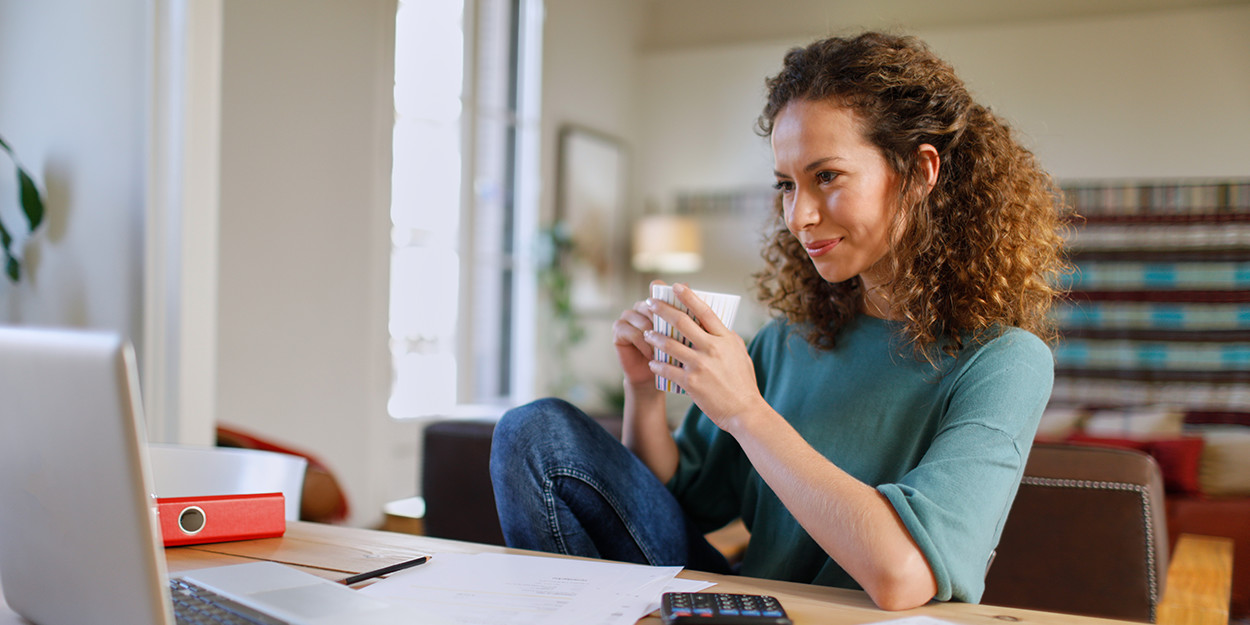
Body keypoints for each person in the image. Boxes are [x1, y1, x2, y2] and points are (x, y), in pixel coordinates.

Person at [490, 31, 1070, 611]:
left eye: (827, 177)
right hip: (752, 608)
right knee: (535, 433)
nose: (800, 216)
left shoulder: (1004, 362)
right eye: (787, 185)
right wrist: (643, 392)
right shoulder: (785, 342)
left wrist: (746, 411)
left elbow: (903, 575)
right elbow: (676, 502)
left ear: (920, 173)